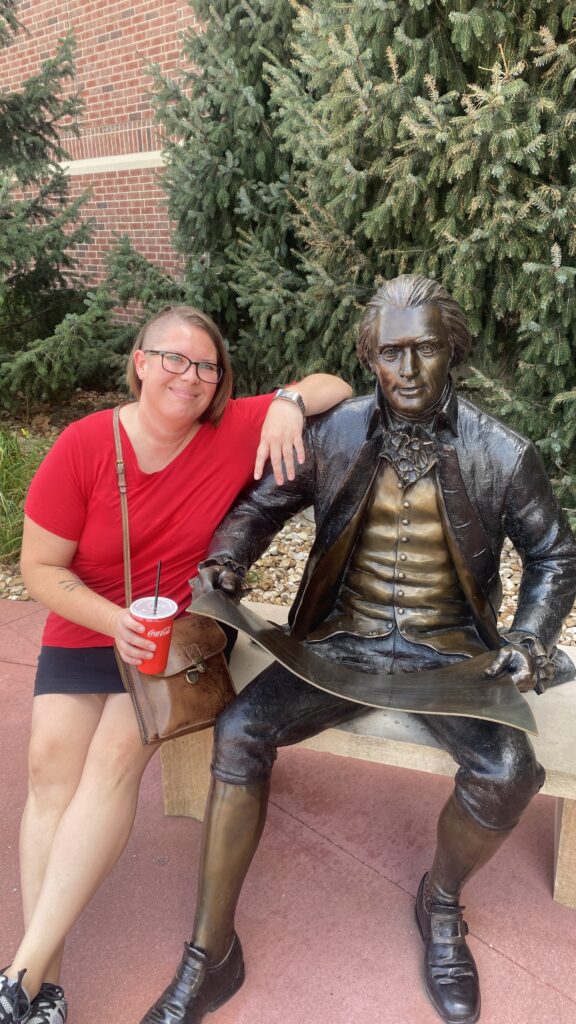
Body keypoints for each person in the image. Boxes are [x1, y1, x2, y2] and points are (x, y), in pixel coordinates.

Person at [139, 276, 576, 1024]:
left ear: (454, 355)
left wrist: (533, 638)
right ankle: (210, 955)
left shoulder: (503, 453)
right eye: (392, 354)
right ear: (371, 357)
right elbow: (262, 506)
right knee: (240, 729)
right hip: (342, 646)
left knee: (510, 770)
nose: (408, 373)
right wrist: (226, 560)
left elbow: (556, 555)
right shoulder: (335, 432)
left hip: (452, 660)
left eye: (427, 351)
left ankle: (439, 904)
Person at [0, 304, 352, 1024]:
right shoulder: (85, 445)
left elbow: (335, 385)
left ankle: (20, 979)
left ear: (220, 380)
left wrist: (286, 402)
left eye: (206, 366)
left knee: (111, 761)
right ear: (139, 361)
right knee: (48, 768)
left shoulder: (231, 430)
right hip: (91, 622)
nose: (189, 377)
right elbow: (39, 567)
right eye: (173, 359)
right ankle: (43, 979)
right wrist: (111, 620)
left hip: (177, 636)